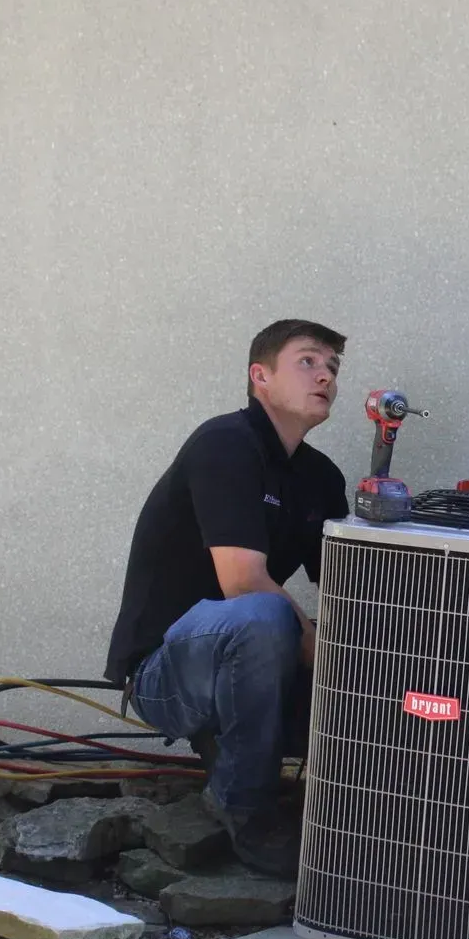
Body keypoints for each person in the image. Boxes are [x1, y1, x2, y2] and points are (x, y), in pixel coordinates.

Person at [106, 319, 349, 878]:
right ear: (260, 376)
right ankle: (244, 805)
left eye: (333, 367)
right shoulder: (225, 444)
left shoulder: (321, 478)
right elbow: (241, 581)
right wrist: (324, 653)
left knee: (375, 651)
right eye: (308, 361)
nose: (326, 377)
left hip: (248, 661)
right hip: (164, 673)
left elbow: (347, 590)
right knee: (264, 614)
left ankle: (362, 819)